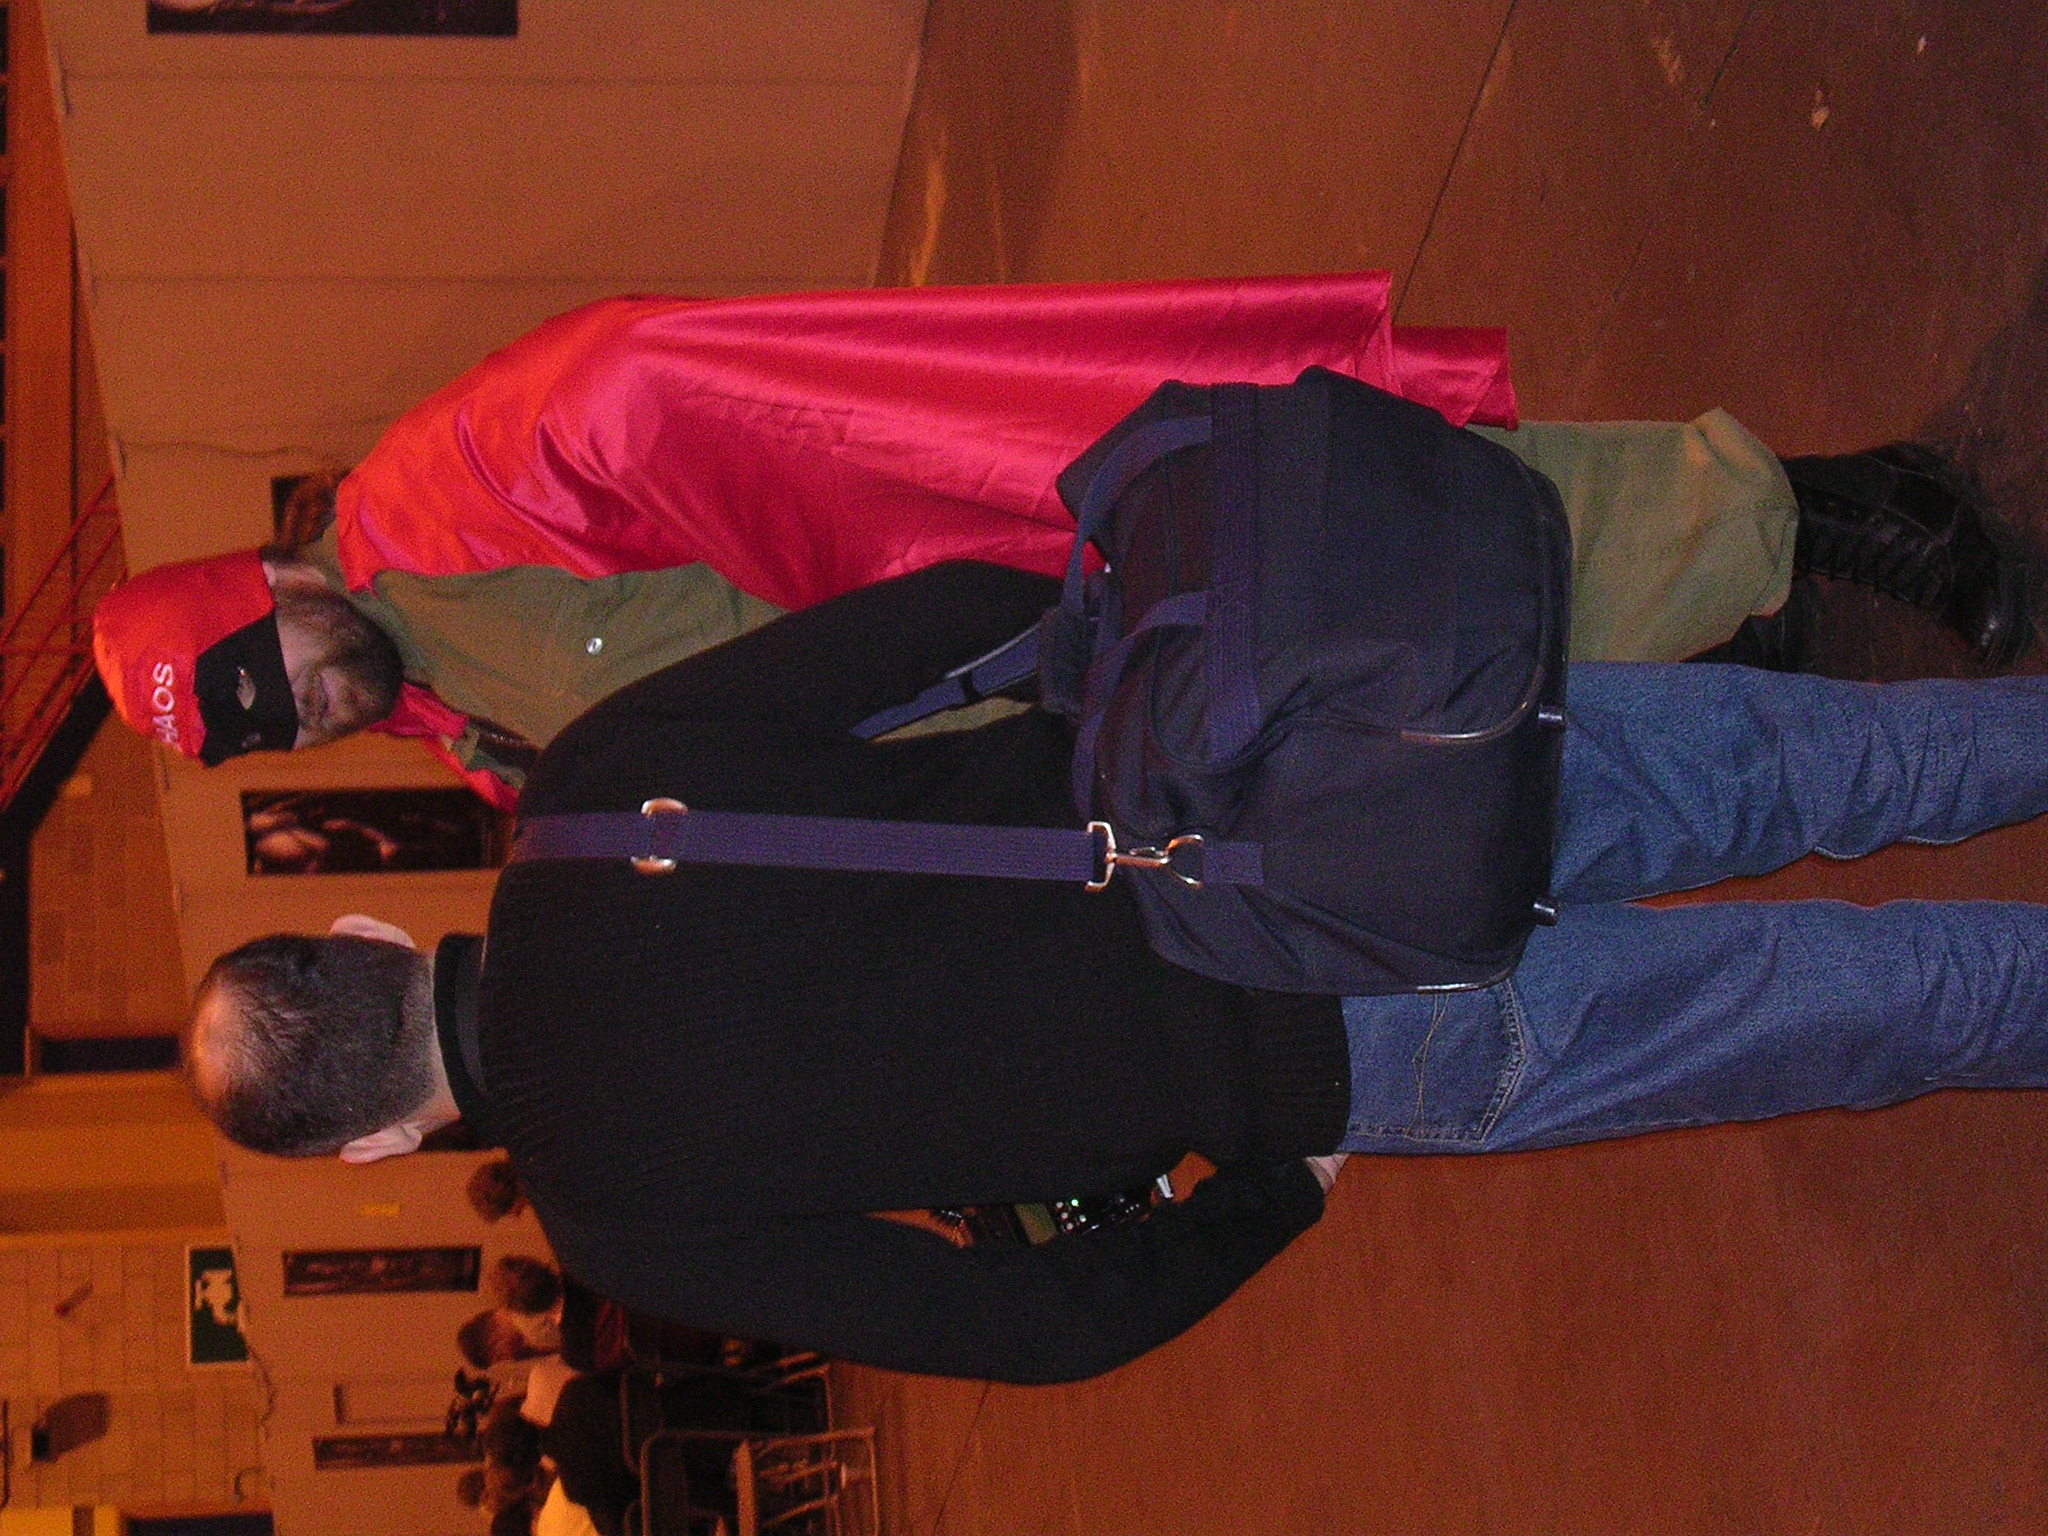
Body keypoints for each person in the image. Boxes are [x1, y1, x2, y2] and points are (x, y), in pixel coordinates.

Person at [184, 558, 2048, 1384]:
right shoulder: (589, 793)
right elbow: (956, 617)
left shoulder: (619, 1227)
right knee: (1826, 765)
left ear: (374, 1145)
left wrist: (1267, 1199)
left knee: (1849, 1003)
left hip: (1322, 1056)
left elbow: (1032, 1329)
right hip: (1309, 794)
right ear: (367, 934)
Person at [90, 278, 2031, 803]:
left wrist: (918, 539)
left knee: (1413, 539)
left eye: (264, 674)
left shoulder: (446, 502)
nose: (297, 709)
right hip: (1046, 688)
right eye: (265, 735)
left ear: (269, 586)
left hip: (1010, 555)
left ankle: (1846, 508)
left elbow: (647, 380)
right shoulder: (457, 719)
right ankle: (1740, 595)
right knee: (1413, 667)